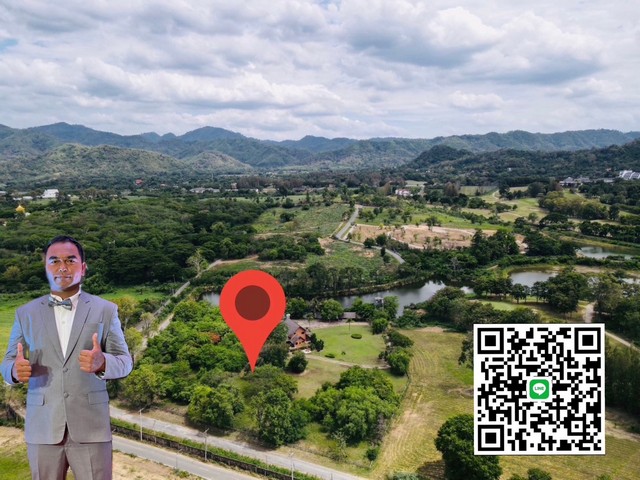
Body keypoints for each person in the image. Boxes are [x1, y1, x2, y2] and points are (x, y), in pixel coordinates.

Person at [1, 235, 133, 480]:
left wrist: (103, 363)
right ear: (46, 267)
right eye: (55, 261)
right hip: (42, 426)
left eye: (70, 260)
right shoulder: (25, 313)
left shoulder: (106, 310)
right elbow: (8, 362)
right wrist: (13, 372)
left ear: (83, 267)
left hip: (92, 428)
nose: (62, 267)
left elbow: (125, 362)